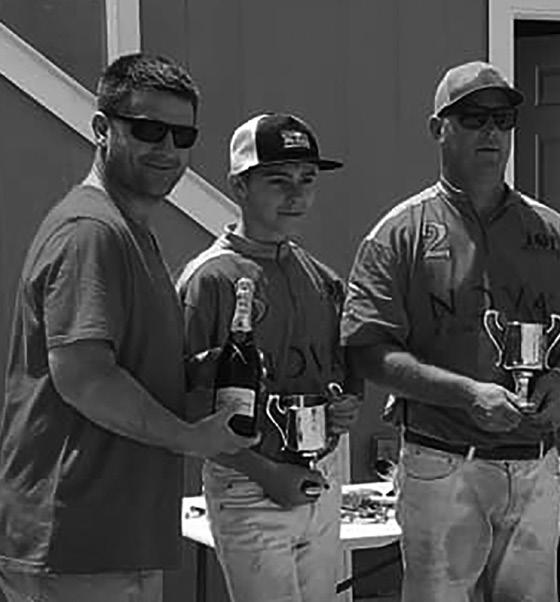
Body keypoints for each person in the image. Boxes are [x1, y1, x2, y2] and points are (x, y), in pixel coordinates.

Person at [340, 60, 560, 602]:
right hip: (442, 462)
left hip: (535, 464)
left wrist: (559, 381)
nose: (491, 130)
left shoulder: (556, 233)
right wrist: (466, 394)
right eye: (472, 117)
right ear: (438, 128)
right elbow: (368, 351)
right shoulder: (400, 234)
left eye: (503, 118)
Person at [0, 53, 257, 602]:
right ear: (102, 128)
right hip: (75, 539)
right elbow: (85, 377)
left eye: (183, 136)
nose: (168, 149)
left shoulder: (129, 231)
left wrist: (199, 373)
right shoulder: (91, 231)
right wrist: (192, 438)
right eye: (147, 130)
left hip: (114, 537)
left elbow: (122, 369)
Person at [177, 113, 362, 602]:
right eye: (278, 180)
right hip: (248, 481)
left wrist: (345, 406)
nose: (296, 195)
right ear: (239, 185)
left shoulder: (322, 278)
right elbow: (185, 406)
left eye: (307, 180)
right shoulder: (210, 279)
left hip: (320, 474)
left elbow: (343, 373)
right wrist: (266, 473)